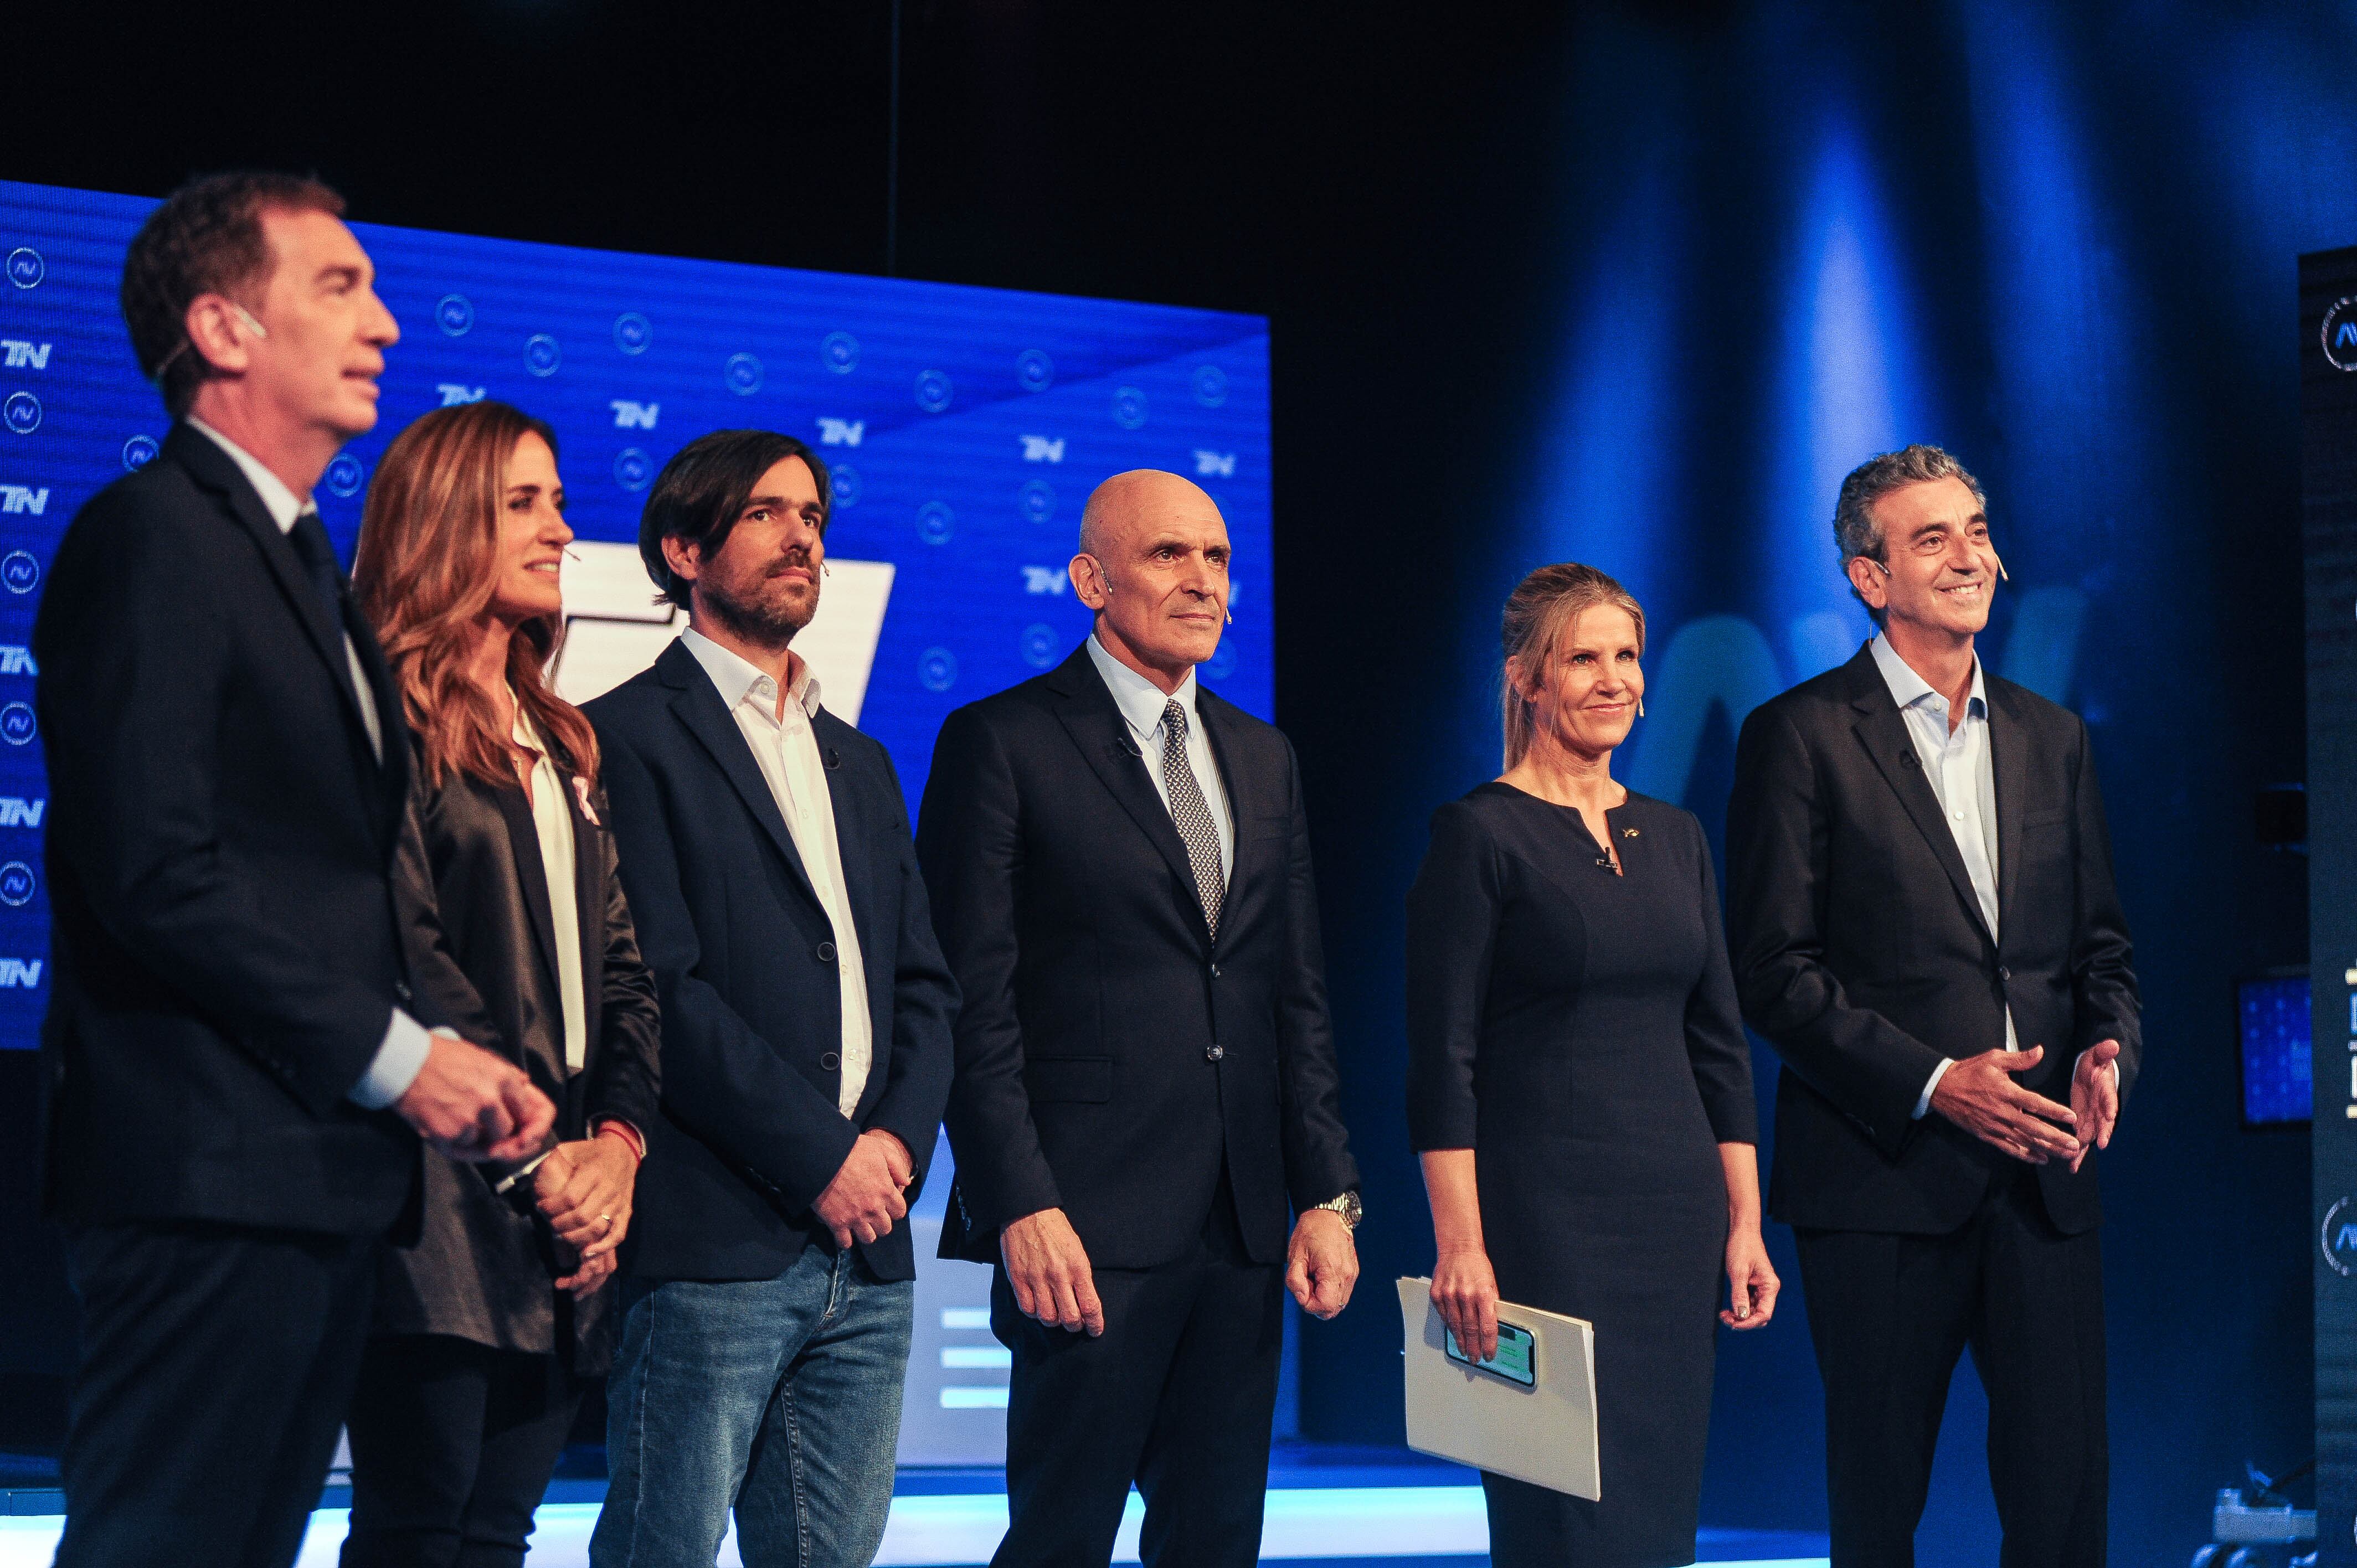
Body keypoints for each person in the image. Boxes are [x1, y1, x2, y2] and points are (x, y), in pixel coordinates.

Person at [33, 173, 555, 1568]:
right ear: (221, 329)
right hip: (204, 1179)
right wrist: (400, 1059)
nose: (383, 324)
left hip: (312, 1184)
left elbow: (339, 884)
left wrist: (455, 1055)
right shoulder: (151, 538)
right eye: (339, 287)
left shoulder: (302, 566)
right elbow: (154, 872)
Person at [917, 469, 1363, 1568]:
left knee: (1215, 1543)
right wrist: (1018, 1202)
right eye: (1169, 555)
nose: (1203, 580)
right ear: (1090, 579)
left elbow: (1294, 996)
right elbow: (968, 1002)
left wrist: (1327, 1193)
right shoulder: (1003, 741)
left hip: (1243, 1224)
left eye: (1215, 558)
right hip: (1086, 1224)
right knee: (1061, 1538)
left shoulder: (1264, 758)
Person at [1726, 444, 2139, 1567]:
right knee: (1878, 1507)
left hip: (2044, 1183)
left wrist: (2108, 1047)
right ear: (1870, 578)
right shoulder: (1799, 736)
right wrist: (1934, 1083)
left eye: (1976, 530)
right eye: (1931, 538)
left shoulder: (2053, 740)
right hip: (1880, 1182)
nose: (1968, 557)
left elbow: (2102, 950)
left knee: (2064, 1509)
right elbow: (1772, 971)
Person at [582, 430, 958, 1568]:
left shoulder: (861, 759)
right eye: (766, 514)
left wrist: (892, 1141)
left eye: (814, 517)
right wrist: (820, 1160)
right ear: (683, 549)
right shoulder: (624, 737)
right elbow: (662, 994)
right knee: (664, 1549)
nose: (803, 536)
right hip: (716, 1239)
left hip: (872, 1248)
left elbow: (925, 990)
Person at [338, 400, 662, 1567]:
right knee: (420, 1531)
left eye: (559, 502)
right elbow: (399, 956)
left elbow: (625, 974)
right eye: (524, 503)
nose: (560, 531)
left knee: (498, 1534)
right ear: (444, 519)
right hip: (436, 1209)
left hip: (565, 1215)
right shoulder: (382, 713)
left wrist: (614, 1150)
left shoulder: (562, 737)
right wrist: (533, 1163)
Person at [1406, 563, 1775, 1567]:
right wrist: (1461, 1245)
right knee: (1562, 1522)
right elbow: (1444, 1060)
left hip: (1677, 1226)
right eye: (1585, 658)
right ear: (1529, 679)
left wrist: (1745, 1223)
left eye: (1627, 656)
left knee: (1655, 1523)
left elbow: (1719, 1043)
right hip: (1544, 1229)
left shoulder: (1679, 836)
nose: (1615, 679)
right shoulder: (1478, 834)